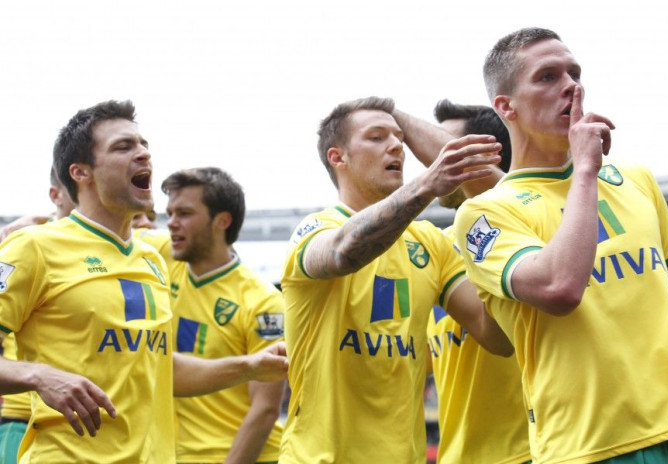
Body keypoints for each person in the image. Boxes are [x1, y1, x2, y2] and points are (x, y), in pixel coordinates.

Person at [454, 27, 668, 463]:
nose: (571, 85)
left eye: (574, 72)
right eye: (547, 77)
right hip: (592, 449)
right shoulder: (486, 214)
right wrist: (584, 171)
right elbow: (561, 288)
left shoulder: (636, 180)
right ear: (506, 106)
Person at [0, 100, 288, 463]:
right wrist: (37, 375)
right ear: (81, 173)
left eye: (144, 145)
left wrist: (248, 366)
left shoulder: (152, 260)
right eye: (124, 147)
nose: (143, 155)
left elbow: (161, 366)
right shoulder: (33, 249)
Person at [279, 96, 513, 463]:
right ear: (338, 157)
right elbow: (342, 252)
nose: (395, 146)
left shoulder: (430, 244)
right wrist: (425, 187)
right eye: (376, 137)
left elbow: (498, 337)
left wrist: (507, 257)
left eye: (398, 138)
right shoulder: (315, 229)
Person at [420, 99, 530, 464]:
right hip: (458, 456)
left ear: (487, 154)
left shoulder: (531, 226)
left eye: (443, 146)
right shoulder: (434, 250)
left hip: (537, 452)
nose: (433, 158)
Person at [162, 167, 285, 464]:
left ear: (222, 221)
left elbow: (266, 408)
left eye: (185, 214)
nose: (171, 224)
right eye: (169, 213)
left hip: (238, 457)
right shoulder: (161, 263)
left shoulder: (263, 303)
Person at [0, 167, 74, 464]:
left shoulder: (138, 256)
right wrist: (5, 237)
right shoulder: (29, 244)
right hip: (22, 418)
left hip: (94, 431)